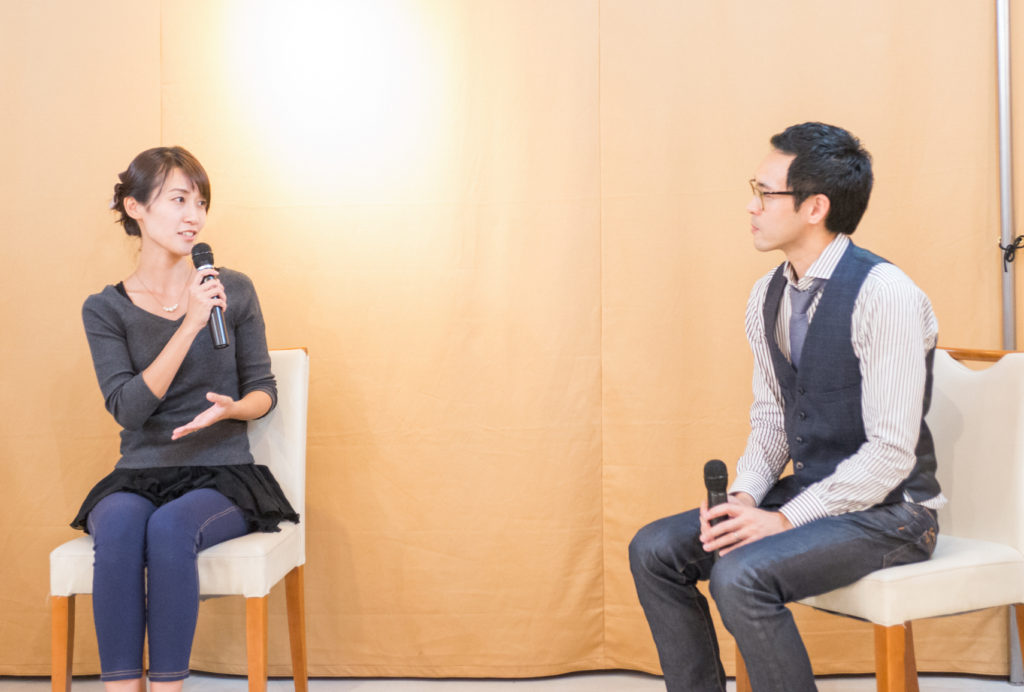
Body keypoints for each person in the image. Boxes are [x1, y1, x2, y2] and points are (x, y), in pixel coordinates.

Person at [628, 122, 944, 692]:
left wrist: (782, 519)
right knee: (654, 550)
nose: (751, 207)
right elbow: (773, 418)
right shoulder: (766, 294)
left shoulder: (885, 294)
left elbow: (891, 455)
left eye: (765, 193)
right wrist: (746, 497)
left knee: (740, 574)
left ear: (815, 207)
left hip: (895, 514)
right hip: (815, 495)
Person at [73, 146, 298, 692]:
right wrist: (190, 324)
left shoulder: (232, 289)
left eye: (201, 202)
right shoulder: (105, 309)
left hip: (221, 471)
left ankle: (169, 687)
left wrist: (234, 409)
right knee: (120, 526)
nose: (193, 216)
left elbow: (263, 390)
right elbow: (128, 408)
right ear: (136, 208)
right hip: (139, 472)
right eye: (178, 200)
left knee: (171, 527)